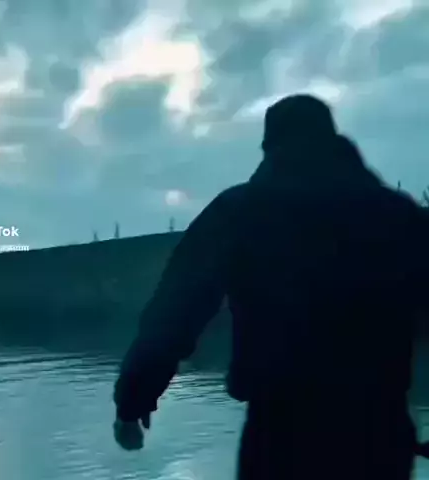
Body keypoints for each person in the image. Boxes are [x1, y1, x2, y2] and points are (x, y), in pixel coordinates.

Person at [113, 94, 429, 479]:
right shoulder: (398, 214)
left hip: (280, 434)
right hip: (379, 432)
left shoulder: (238, 212)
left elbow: (175, 313)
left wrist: (134, 401)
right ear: (333, 139)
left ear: (268, 147)